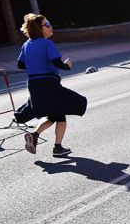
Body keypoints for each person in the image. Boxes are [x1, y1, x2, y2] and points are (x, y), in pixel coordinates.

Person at [18, 13, 86, 158]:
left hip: (34, 85)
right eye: (47, 24)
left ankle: (34, 136)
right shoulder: (47, 43)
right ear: (39, 28)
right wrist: (67, 65)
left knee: (53, 115)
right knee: (73, 105)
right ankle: (58, 148)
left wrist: (35, 62)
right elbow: (58, 63)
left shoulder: (26, 44)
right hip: (49, 83)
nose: (50, 26)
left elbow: (20, 64)